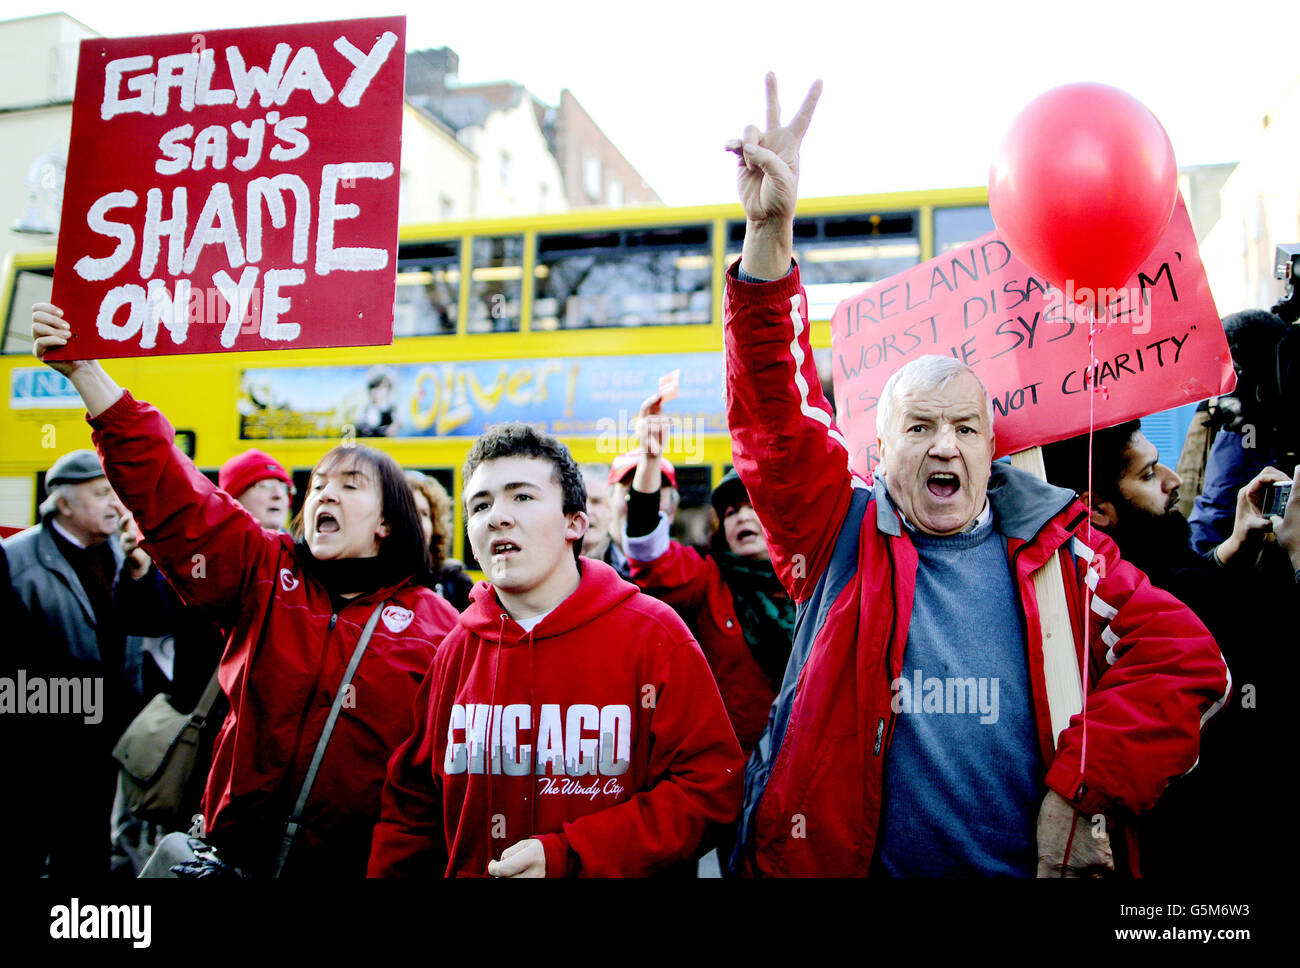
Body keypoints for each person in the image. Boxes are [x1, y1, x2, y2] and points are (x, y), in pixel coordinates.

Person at [721, 75, 1229, 878]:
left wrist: (1083, 789)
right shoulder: (837, 539)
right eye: (919, 428)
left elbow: (1187, 660)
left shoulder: (1067, 555)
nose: (946, 447)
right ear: (877, 451)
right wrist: (769, 232)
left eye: (965, 428)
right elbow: (773, 418)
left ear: (992, 449)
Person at [31, 302, 460, 878]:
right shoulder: (265, 570)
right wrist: (85, 369)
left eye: (350, 485)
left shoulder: (438, 626)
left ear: (387, 522)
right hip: (233, 861)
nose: (324, 494)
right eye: (320, 484)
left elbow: (444, 778)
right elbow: (176, 490)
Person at [367, 422, 744, 877]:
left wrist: (572, 854)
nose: (497, 517)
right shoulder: (455, 651)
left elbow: (710, 791)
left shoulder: (655, 634)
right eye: (480, 504)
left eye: (521, 497)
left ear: (575, 522)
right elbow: (410, 814)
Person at [1042, 420, 1297, 876]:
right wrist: (1291, 561)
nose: (1174, 480)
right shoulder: (1114, 603)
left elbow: (1189, 592)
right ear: (1094, 507)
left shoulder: (1140, 563)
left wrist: (1231, 551)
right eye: (1147, 474)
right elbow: (1242, 645)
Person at [623, 397, 794, 757]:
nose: (743, 518)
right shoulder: (708, 577)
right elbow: (646, 552)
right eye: (731, 512)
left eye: (754, 507)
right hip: (735, 769)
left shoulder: (812, 579)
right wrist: (650, 460)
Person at [3, 449, 145, 875]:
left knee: (86, 852)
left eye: (116, 493)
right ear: (64, 504)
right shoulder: (15, 561)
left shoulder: (124, 555)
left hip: (106, 741)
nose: (115, 505)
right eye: (102, 493)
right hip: (37, 747)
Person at [406, 470, 473, 611]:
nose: (416, 523)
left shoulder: (456, 584)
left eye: (424, 514)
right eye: (408, 512)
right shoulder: (369, 589)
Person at [219, 449, 294, 531]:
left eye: (284, 487)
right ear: (235, 500)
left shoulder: (304, 543)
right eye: (265, 485)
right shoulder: (213, 543)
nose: (278, 495)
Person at [578, 462, 631, 579]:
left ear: (612, 509)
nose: (587, 510)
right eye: (580, 500)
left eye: (596, 502)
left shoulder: (626, 564)